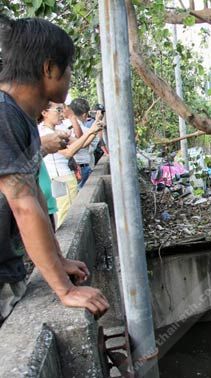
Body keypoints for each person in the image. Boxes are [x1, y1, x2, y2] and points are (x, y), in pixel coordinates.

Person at [0, 15, 109, 321]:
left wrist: (59, 261)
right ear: (49, 68)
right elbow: (23, 206)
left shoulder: (22, 116)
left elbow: (34, 195)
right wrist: (65, 290)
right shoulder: (4, 115)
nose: (71, 75)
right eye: (69, 67)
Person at [39, 102, 101, 225]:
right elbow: (68, 152)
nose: (62, 114)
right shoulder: (46, 133)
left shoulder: (56, 130)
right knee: (66, 216)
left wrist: (94, 130)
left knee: (68, 212)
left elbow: (81, 144)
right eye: (58, 110)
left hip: (65, 177)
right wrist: (91, 131)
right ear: (44, 113)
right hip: (60, 178)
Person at [67, 98, 101, 188]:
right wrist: (97, 124)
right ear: (85, 115)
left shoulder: (64, 129)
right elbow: (86, 144)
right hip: (83, 168)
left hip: (70, 168)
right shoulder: (86, 131)